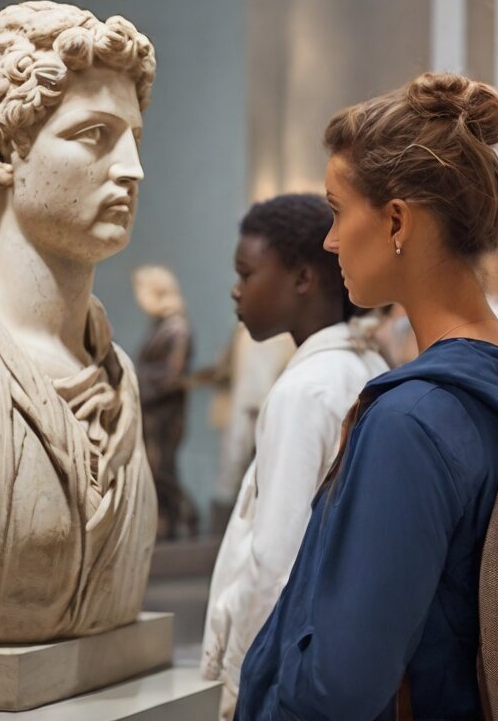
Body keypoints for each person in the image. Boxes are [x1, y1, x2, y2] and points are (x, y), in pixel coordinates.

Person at [234, 73, 498, 720]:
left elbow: (341, 685)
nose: (330, 240)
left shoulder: (410, 421)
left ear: (396, 221)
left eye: (337, 211)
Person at [0, 0, 157, 642]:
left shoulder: (116, 378)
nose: (132, 169)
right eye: (94, 134)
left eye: (134, 138)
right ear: (1, 150)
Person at [201, 194, 388, 719]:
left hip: (285, 668)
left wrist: (244, 681)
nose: (236, 289)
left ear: (303, 278)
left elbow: (274, 560)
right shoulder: (368, 365)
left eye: (247, 273)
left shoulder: (305, 391)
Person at [133, 265, 197, 540]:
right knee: (156, 469)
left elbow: (172, 375)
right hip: (153, 410)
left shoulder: (176, 328)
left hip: (164, 412)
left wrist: (136, 380)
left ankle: (177, 517)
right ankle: (168, 519)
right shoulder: (162, 326)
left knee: (162, 470)